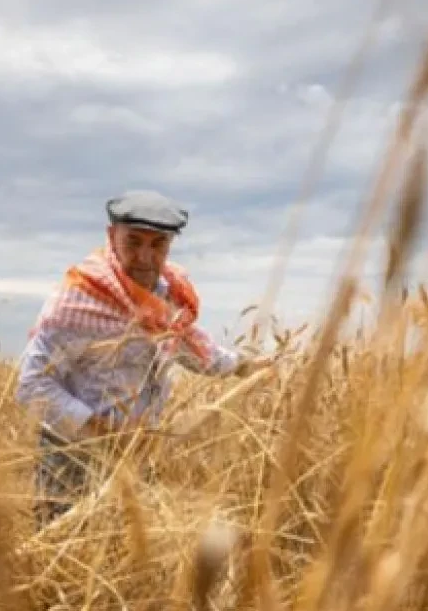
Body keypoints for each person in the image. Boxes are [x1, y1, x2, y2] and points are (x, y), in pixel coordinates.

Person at [15, 189, 269, 526]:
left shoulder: (166, 295)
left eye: (158, 245)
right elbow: (31, 385)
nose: (145, 256)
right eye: (133, 242)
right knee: (59, 560)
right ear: (111, 237)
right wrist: (101, 432)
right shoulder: (79, 298)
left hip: (138, 457)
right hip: (71, 461)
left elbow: (192, 348)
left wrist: (244, 366)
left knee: (122, 561)